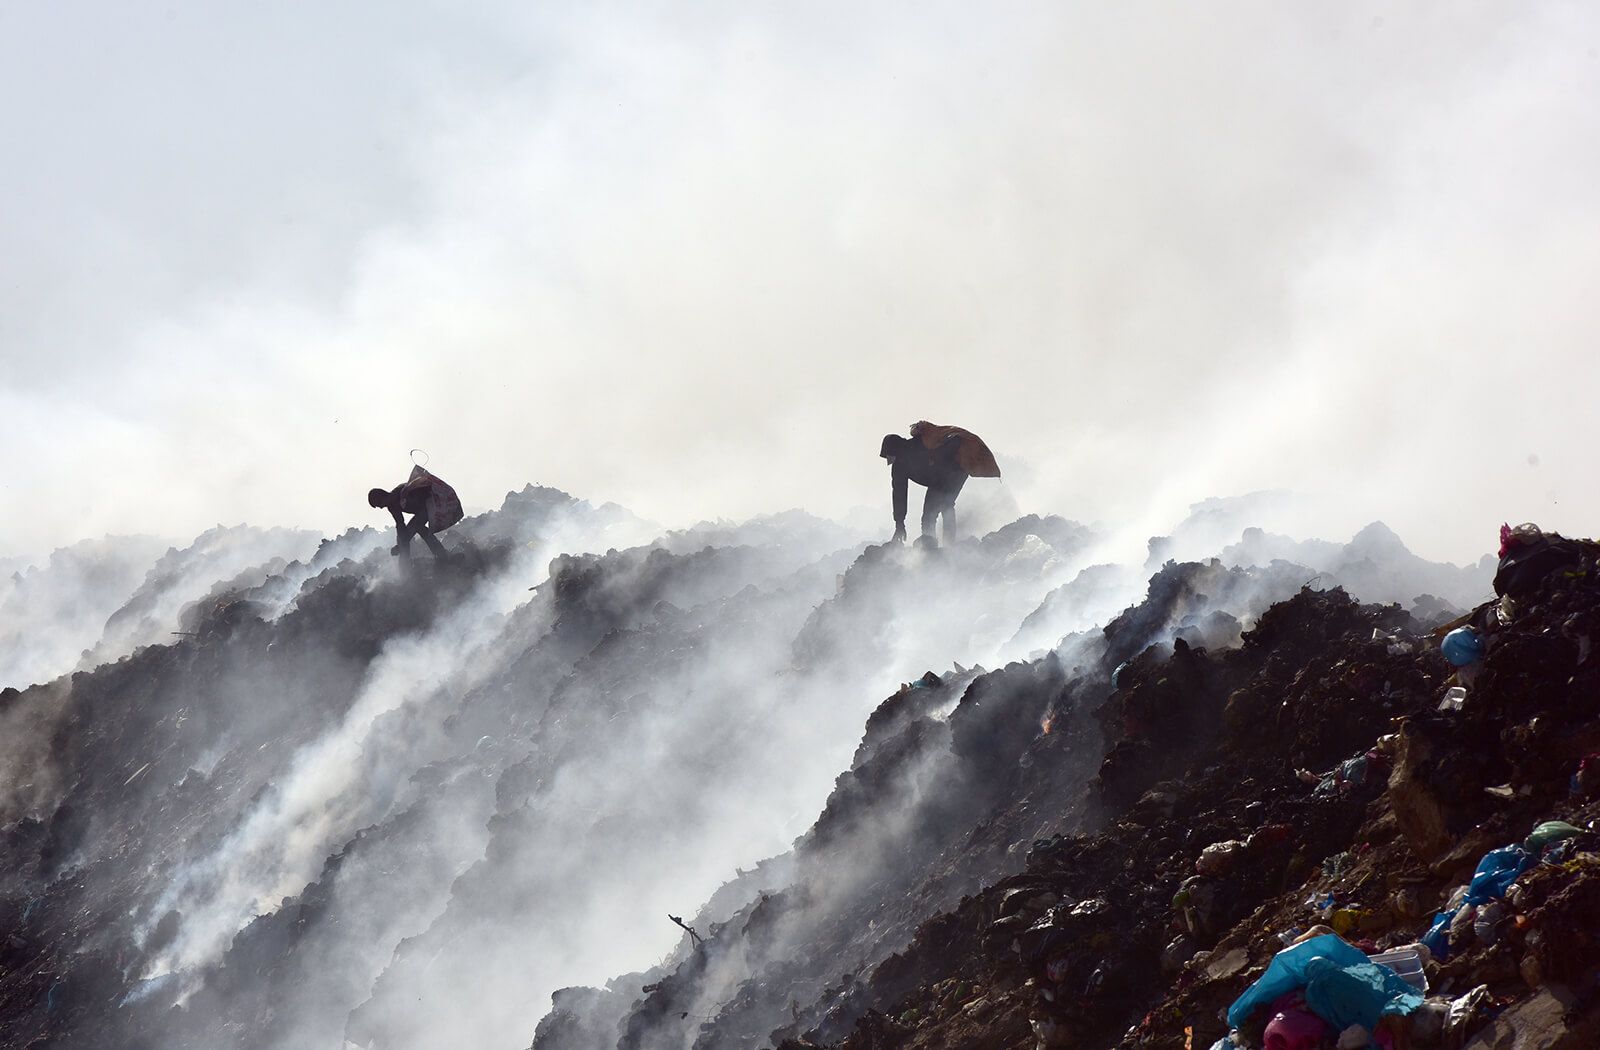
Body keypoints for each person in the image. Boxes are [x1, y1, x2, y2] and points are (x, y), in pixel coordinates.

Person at [878, 421, 1000, 544]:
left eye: (891, 456)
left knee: (936, 511)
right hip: (939, 479)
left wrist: (940, 465)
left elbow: (955, 441)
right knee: (939, 509)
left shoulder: (920, 445)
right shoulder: (899, 466)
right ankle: (934, 545)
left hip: (954, 471)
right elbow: (899, 494)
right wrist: (899, 524)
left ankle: (938, 547)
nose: (891, 460)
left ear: (897, 450)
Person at [367, 466, 462, 560]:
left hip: (432, 502)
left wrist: (402, 544)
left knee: (414, 528)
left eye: (379, 504)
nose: (380, 507)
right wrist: (401, 543)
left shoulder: (402, 491)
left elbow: (425, 494)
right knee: (414, 532)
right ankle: (441, 556)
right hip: (422, 511)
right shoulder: (392, 507)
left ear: (382, 496)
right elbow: (400, 525)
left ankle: (442, 556)